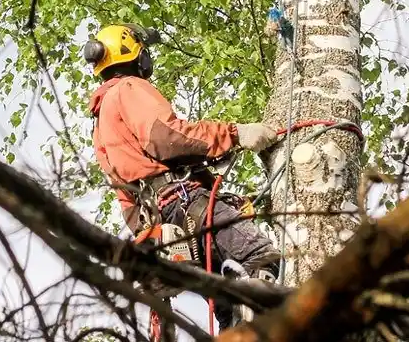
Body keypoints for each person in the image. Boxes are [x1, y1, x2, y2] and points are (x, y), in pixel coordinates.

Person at [84, 23, 281, 328]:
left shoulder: (100, 124)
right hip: (185, 204)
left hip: (165, 222)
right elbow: (166, 137)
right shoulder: (128, 89)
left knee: (227, 303)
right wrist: (235, 134)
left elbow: (127, 198)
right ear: (132, 52)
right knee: (260, 256)